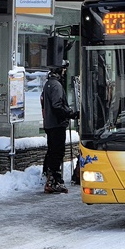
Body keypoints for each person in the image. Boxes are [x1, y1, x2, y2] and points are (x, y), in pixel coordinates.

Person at [41, 60, 78, 194]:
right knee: (57, 153)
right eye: (63, 69)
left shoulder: (48, 84)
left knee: (52, 151)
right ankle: (54, 181)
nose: (65, 72)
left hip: (50, 123)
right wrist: (69, 114)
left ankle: (50, 178)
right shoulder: (56, 85)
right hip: (57, 124)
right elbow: (57, 105)